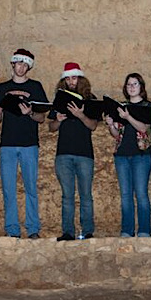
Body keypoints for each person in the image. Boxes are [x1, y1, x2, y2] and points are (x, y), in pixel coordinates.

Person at [0, 48, 48, 238]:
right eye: (18, 63)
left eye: (25, 64)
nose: (21, 67)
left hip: (29, 143)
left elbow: (41, 118)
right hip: (7, 143)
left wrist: (30, 113)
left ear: (28, 67)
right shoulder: (2, 88)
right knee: (9, 189)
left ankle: (32, 229)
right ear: (12, 64)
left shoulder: (36, 87)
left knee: (31, 187)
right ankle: (12, 230)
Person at [49, 62, 99, 240]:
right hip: (63, 154)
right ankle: (68, 232)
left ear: (80, 78)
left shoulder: (90, 99)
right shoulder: (59, 99)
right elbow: (51, 127)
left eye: (74, 77)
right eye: (68, 78)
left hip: (85, 154)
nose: (71, 81)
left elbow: (93, 126)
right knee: (67, 196)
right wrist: (59, 120)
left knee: (86, 195)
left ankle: (87, 231)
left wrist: (80, 115)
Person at [106, 72, 151, 237]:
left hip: (141, 155)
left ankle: (144, 230)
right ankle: (127, 230)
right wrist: (111, 124)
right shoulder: (121, 107)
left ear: (141, 87)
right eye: (129, 84)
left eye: (135, 84)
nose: (131, 87)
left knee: (141, 193)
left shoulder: (148, 107)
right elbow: (116, 134)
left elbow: (143, 128)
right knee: (125, 194)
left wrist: (128, 116)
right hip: (122, 155)